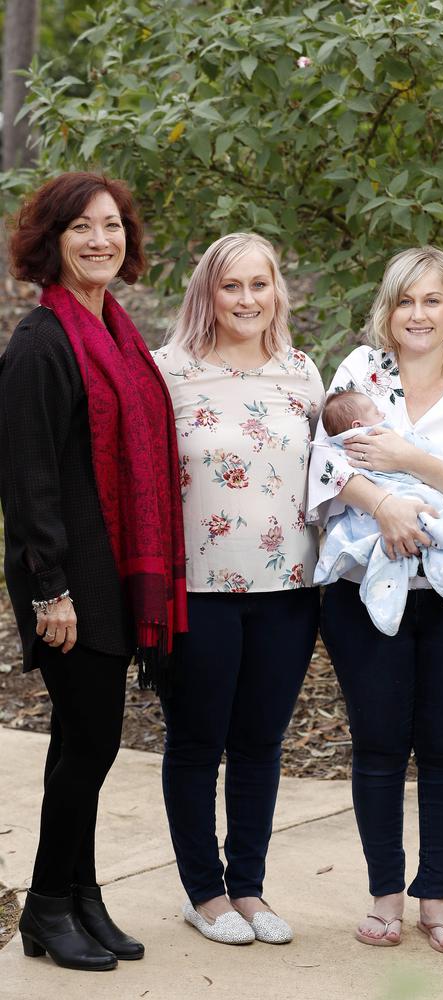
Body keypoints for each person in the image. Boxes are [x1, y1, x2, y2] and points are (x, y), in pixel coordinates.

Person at [0, 172, 188, 972]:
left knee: (80, 740)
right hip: (70, 580)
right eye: (81, 228)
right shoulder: (42, 343)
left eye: (112, 226)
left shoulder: (117, 332)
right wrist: (51, 591)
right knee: (93, 744)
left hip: (111, 570)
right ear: (52, 241)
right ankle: (46, 902)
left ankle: (79, 898)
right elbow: (28, 477)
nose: (100, 240)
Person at [308, 246, 443, 953]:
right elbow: (323, 462)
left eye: (433, 300)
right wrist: (385, 506)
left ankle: (436, 897)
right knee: (377, 745)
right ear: (388, 311)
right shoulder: (358, 372)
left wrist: (405, 462)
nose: (418, 314)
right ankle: (385, 896)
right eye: (405, 300)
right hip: (364, 593)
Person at [153, 233, 324, 946]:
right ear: (207, 293)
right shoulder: (168, 372)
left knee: (261, 739)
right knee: (197, 740)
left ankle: (248, 888)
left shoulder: (302, 373)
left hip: (288, 588)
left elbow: (331, 476)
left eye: (260, 284)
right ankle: (204, 892)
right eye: (231, 286)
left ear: (277, 291)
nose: (247, 299)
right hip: (198, 588)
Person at [315, 391, 443, 635]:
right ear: (358, 425)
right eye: (376, 412)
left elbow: (327, 469)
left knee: (379, 543)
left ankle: (382, 589)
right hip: (395, 493)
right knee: (439, 515)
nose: (383, 414)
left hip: (374, 503)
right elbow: (424, 447)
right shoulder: (385, 433)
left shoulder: (335, 447)